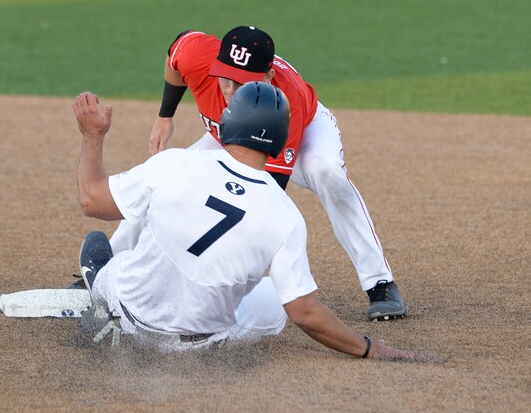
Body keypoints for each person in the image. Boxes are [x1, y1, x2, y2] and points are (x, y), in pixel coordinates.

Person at [71, 81, 415, 360]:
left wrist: (92, 136)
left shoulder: (175, 163)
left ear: (227, 123)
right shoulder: (284, 213)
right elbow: (305, 313)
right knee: (274, 298)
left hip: (133, 317)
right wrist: (368, 347)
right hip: (205, 344)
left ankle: (104, 294)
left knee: (101, 250)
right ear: (281, 141)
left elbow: (91, 199)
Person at [140, 25, 407, 321]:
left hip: (298, 130)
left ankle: (379, 282)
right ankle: (108, 264)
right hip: (230, 133)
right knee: (163, 178)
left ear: (267, 78)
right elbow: (176, 53)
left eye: (242, 84)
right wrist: (165, 116)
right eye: (226, 79)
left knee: (325, 172)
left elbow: (265, 190)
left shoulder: (284, 102)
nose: (230, 91)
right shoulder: (198, 57)